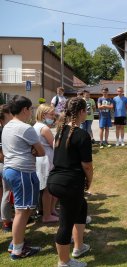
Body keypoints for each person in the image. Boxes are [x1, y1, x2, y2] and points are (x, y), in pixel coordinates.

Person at [47, 97, 93, 267]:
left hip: (56, 180)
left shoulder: (60, 131)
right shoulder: (82, 135)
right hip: (69, 184)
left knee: (81, 208)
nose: (86, 113)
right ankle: (64, 262)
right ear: (81, 112)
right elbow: (87, 166)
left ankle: (79, 247)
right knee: (65, 224)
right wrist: (89, 181)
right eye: (86, 111)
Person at [2, 95, 45, 260]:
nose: (31, 112)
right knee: (21, 211)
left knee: (23, 209)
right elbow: (41, 151)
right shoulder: (25, 128)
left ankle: (16, 242)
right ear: (25, 109)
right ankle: (18, 250)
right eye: (31, 109)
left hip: (11, 169)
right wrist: (32, 151)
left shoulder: (7, 126)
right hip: (22, 171)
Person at [33, 104, 59, 223]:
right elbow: (55, 145)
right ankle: (47, 215)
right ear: (43, 115)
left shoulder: (35, 126)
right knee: (48, 189)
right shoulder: (44, 128)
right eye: (51, 115)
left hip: (41, 160)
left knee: (45, 188)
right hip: (47, 161)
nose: (53, 117)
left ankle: (50, 210)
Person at [0, 104, 13, 232]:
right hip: (5, 164)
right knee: (7, 193)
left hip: (5, 164)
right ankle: (6, 222)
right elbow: (1, 154)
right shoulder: (2, 129)